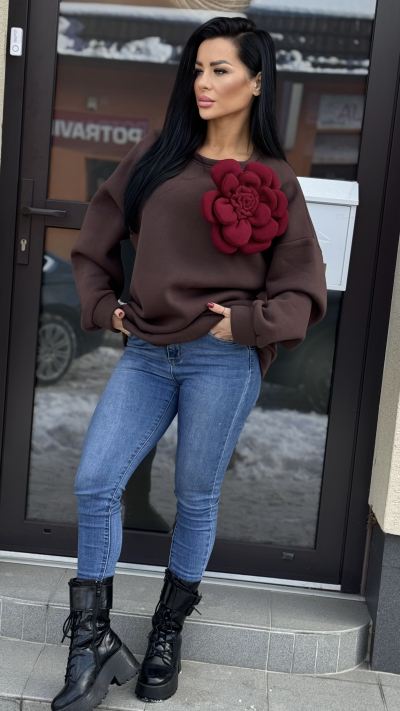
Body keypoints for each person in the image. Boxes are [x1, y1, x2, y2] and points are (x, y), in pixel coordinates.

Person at [51, 15, 327, 711]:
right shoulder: (158, 153)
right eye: (197, 69)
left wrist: (249, 324)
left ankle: (167, 632)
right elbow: (96, 236)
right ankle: (93, 642)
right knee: (95, 481)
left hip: (222, 362)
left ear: (256, 82)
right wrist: (104, 305)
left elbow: (302, 287)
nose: (203, 82)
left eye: (220, 69)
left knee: (196, 497)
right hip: (147, 353)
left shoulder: (276, 179)